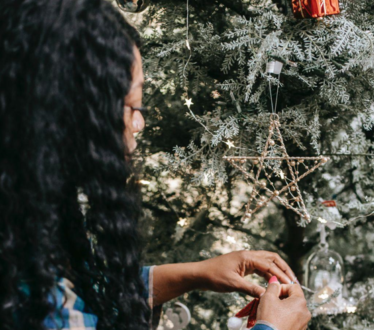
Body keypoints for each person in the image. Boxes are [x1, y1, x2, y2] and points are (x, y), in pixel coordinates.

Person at [0, 1, 312, 330]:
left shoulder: (22, 227)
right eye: (131, 104)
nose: (139, 124)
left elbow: (86, 292)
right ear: (63, 107)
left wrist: (197, 273)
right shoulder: (35, 295)